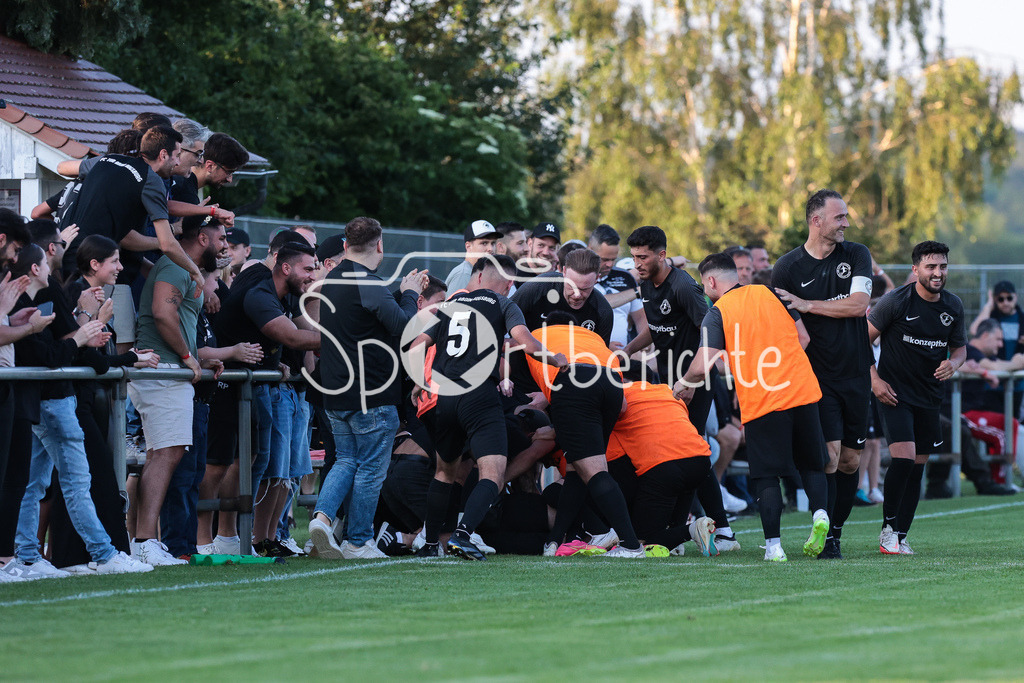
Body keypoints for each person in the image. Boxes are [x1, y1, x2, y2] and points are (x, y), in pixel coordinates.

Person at [5, 244, 151, 577]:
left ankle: (27, 555)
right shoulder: (30, 302)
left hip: (51, 401)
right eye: (46, 259)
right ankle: (103, 553)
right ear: (35, 269)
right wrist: (86, 327)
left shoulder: (44, 294)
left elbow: (64, 347)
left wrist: (85, 329)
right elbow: (53, 354)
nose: (52, 261)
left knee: (36, 483)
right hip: (53, 403)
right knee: (75, 481)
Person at [674, 253, 830, 562]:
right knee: (812, 464)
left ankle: (773, 546)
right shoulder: (772, 293)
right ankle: (820, 514)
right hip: (802, 388)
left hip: (763, 398)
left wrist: (683, 383)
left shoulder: (716, 312)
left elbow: (703, 363)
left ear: (711, 281)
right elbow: (804, 337)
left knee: (766, 475)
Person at [410, 254, 565, 560]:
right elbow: (527, 344)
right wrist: (557, 359)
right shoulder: (503, 303)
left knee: (445, 471)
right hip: (479, 396)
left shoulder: (448, 306)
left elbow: (417, 345)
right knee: (492, 473)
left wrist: (419, 381)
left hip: (446, 396)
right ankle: (463, 535)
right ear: (508, 284)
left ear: (478, 276)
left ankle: (430, 544)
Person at [307, 216, 428, 560]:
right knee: (371, 468)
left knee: (345, 461)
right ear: (380, 245)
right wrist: (409, 294)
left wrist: (399, 294)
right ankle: (358, 540)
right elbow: (404, 327)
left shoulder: (331, 280)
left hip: (336, 392)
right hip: (371, 394)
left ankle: (322, 516)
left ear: (344, 247)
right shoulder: (368, 282)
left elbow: (367, 321)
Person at [771, 189, 875, 560]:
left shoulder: (857, 254)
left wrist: (809, 304)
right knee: (829, 458)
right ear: (816, 221)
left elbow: (859, 305)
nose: (847, 223)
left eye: (846, 216)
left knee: (850, 461)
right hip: (816, 378)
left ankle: (838, 529)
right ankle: (828, 536)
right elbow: (789, 327)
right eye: (839, 217)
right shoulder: (786, 268)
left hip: (856, 375)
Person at [127, 216, 230, 565]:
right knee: (165, 454)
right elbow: (161, 313)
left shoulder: (181, 268)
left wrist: (198, 357)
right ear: (201, 238)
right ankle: (144, 541)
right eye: (221, 237)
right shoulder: (174, 265)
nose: (226, 246)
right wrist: (188, 357)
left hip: (171, 370)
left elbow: (176, 323)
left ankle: (145, 541)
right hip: (163, 372)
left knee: (166, 454)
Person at [868, 241, 967, 555]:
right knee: (904, 458)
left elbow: (961, 349)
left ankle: (901, 534)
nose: (938, 273)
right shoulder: (895, 302)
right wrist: (875, 381)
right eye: (931, 267)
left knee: (917, 466)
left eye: (942, 267)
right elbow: (861, 341)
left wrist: (954, 363)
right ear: (916, 270)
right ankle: (887, 531)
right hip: (894, 394)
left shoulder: (953, 306)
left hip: (930, 397)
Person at [526, 313, 647, 558]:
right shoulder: (590, 337)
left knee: (593, 471)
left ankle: (631, 544)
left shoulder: (535, 336)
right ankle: (553, 541)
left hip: (573, 381)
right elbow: (622, 406)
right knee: (576, 468)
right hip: (611, 383)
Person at [56, 125, 204, 294]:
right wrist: (195, 272)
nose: (178, 162)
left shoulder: (107, 160)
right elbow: (167, 243)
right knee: (87, 317)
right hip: (91, 266)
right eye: (176, 156)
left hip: (66, 255)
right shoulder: (151, 179)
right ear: (163, 155)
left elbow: (62, 167)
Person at [947, 318, 1019, 495]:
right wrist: (1016, 362)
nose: (1001, 345)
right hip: (958, 411)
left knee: (1011, 424)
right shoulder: (970, 351)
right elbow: (998, 366)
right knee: (1003, 432)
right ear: (985, 335)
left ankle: (997, 478)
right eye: (998, 339)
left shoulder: (984, 355)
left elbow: (997, 365)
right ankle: (998, 480)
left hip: (968, 411)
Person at [588, 224, 648, 350]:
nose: (609, 264)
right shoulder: (580, 278)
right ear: (590, 250)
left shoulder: (625, 277)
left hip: (623, 358)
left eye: (613, 259)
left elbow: (641, 319)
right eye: (604, 259)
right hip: (590, 354)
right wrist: (604, 346)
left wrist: (642, 346)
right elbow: (598, 304)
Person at [444, 220, 502, 293]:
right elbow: (454, 304)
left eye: (493, 243)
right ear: (468, 246)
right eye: (484, 243)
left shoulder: (476, 272)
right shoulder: (464, 274)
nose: (490, 248)